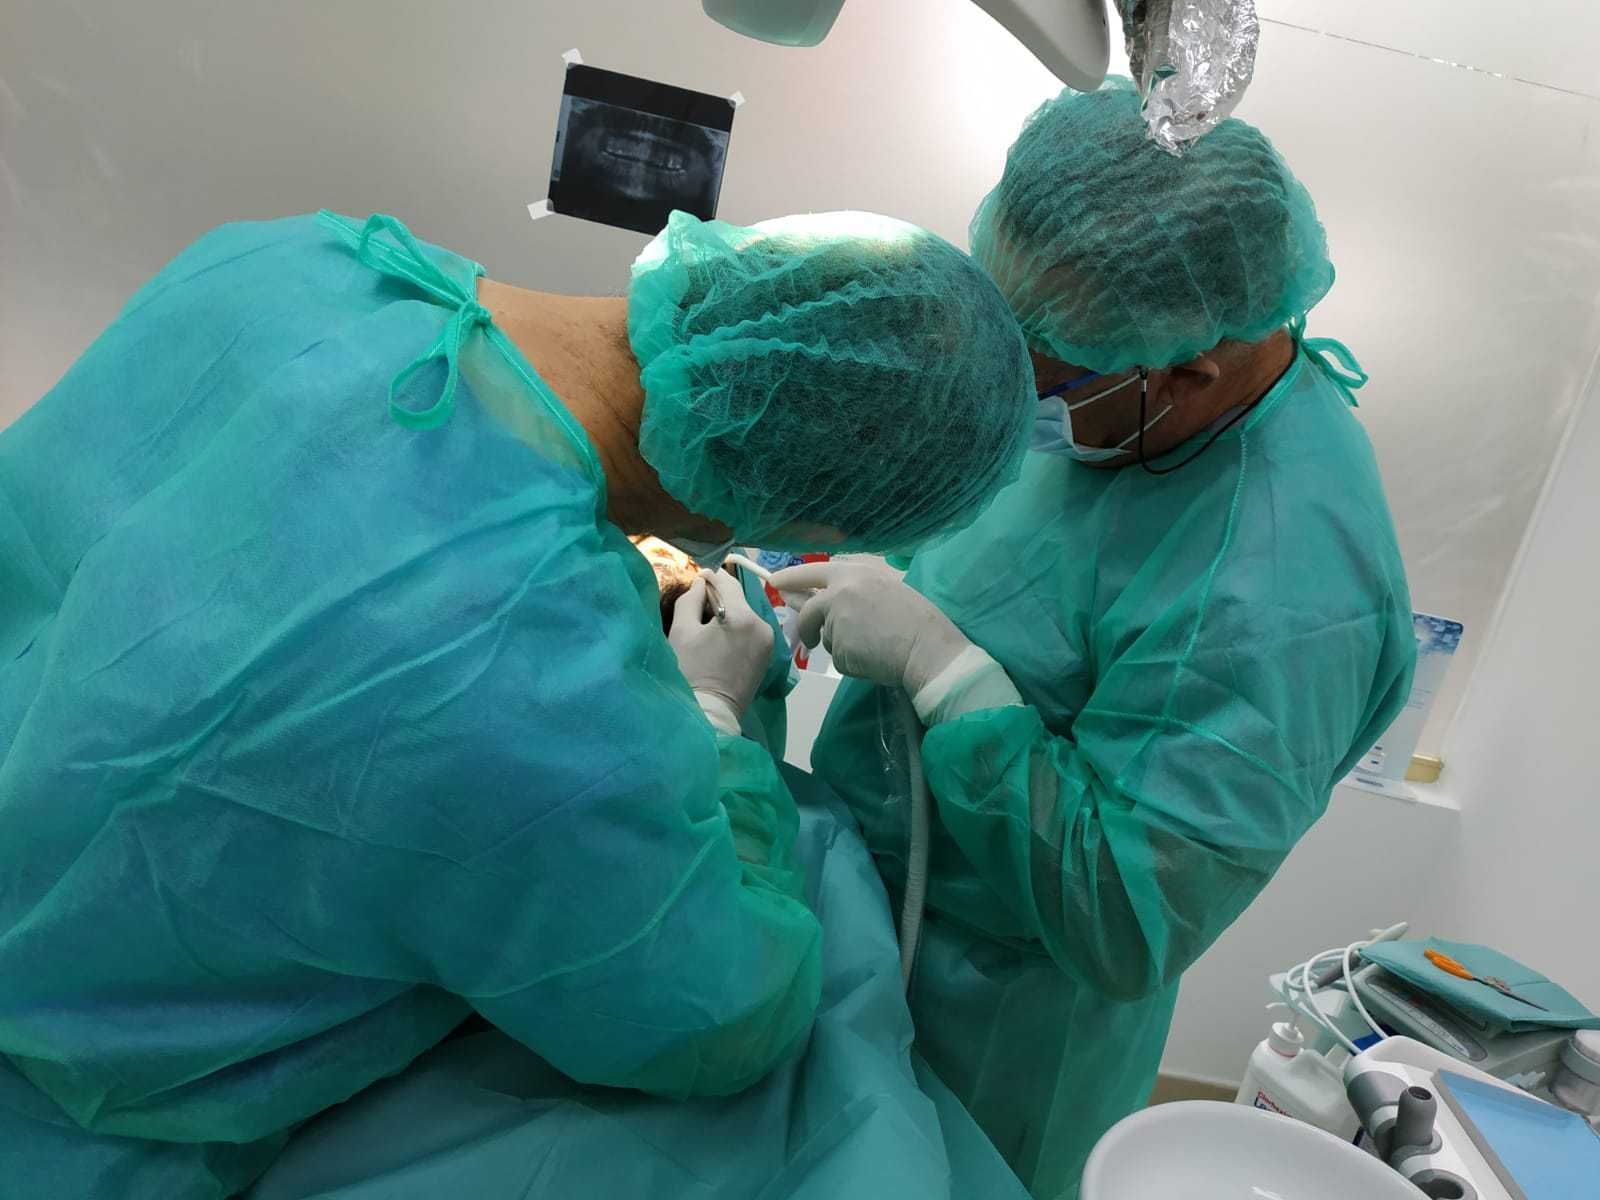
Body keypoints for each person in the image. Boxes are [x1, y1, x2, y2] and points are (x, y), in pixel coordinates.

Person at [0, 207, 1034, 1198]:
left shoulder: (298, 261)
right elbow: (715, 1014)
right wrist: (715, 718)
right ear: (776, 506)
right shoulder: (541, 696)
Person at [779, 80, 1417, 1200]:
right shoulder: (1128, 408)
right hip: (861, 924)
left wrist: (942, 669)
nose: (1019, 391)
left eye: (1050, 369)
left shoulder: (1279, 585)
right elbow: (1027, 542)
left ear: (1190, 369)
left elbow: (1127, 916)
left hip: (992, 1036)